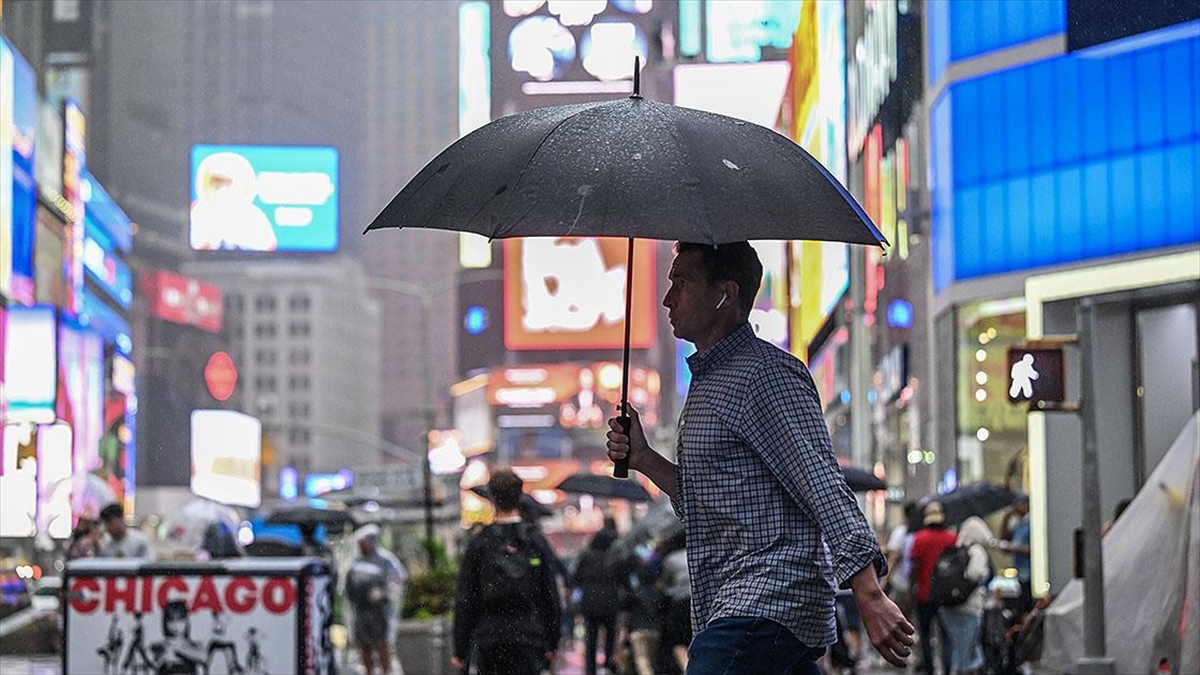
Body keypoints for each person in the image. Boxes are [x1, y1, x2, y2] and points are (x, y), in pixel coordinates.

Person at [605, 242, 914, 674]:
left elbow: (820, 481)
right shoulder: (709, 385)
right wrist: (644, 459)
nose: (667, 298)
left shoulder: (765, 375)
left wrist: (868, 590)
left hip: (769, 597)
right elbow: (704, 503)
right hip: (737, 598)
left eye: (682, 282)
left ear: (725, 293)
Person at [453, 468, 562, 675]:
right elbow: (549, 593)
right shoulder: (535, 541)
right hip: (529, 635)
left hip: (491, 638)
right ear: (519, 496)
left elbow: (466, 599)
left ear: (492, 497)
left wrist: (461, 649)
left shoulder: (480, 543)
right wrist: (553, 640)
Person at [345, 524, 406, 675]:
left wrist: (383, 592)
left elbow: (399, 578)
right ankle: (369, 671)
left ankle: (385, 671)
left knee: (381, 643)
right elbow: (347, 583)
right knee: (364, 645)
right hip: (360, 610)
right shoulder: (355, 561)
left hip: (379, 610)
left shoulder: (385, 559)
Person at [908, 501, 958, 675]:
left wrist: (911, 589)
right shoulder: (952, 538)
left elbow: (914, 567)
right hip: (946, 596)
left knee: (926, 636)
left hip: (924, 594)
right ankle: (947, 669)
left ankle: (929, 670)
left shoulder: (919, 538)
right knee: (946, 636)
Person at [939, 516, 993, 674]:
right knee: (966, 652)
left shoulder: (955, 550)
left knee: (958, 648)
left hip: (949, 606)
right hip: (969, 607)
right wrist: (985, 573)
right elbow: (975, 573)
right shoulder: (977, 550)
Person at [572, 527, 623, 675]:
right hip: (610, 604)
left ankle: (590, 670)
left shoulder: (586, 557)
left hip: (590, 604)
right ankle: (608, 667)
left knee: (591, 638)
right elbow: (623, 580)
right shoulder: (614, 558)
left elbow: (576, 578)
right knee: (609, 636)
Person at [999, 493, 1033, 616]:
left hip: (1030, 573)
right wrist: (1006, 518)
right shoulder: (1019, 524)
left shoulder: (1032, 524)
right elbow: (1005, 538)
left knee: (1026, 604)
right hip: (1021, 573)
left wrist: (1014, 549)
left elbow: (1034, 550)